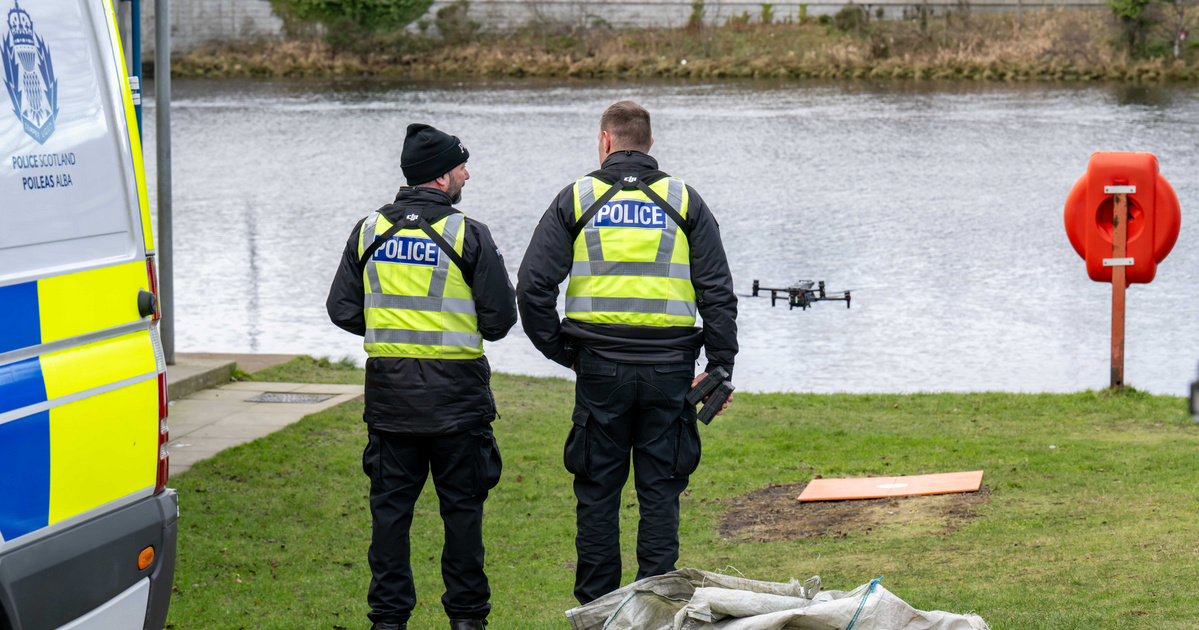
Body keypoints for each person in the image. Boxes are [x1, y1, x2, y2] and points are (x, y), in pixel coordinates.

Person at [516, 101, 738, 604]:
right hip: (670, 371)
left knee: (597, 492)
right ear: (651, 145)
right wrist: (720, 368)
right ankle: (657, 609)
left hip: (598, 367)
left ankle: (598, 610)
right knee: (660, 493)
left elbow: (532, 288)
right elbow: (718, 294)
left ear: (605, 141)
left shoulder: (577, 198)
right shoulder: (684, 201)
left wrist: (562, 351)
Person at [327, 123, 517, 630]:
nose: (466, 174)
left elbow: (342, 309)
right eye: (461, 167)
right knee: (462, 515)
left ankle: (388, 621)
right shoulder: (467, 233)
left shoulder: (369, 230)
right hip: (458, 406)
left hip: (390, 404)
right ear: (440, 178)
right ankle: (466, 620)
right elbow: (500, 321)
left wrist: (394, 329)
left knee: (390, 516)